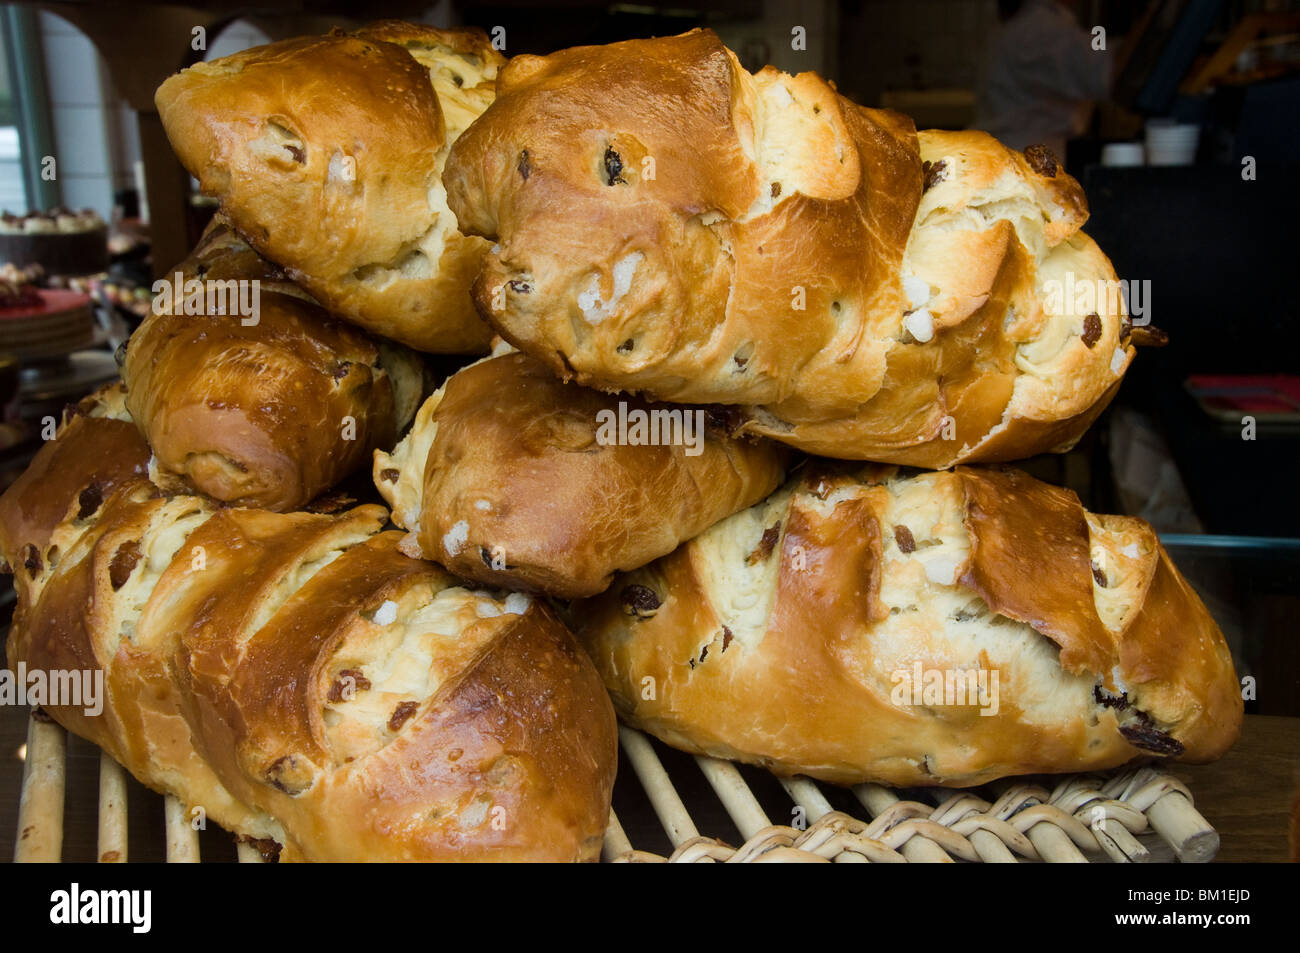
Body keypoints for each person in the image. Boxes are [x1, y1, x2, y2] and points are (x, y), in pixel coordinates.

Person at [972, 0, 1112, 159]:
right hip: (1022, 159)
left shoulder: (1022, 22)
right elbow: (1103, 70)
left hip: (1004, 154)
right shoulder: (1040, 29)